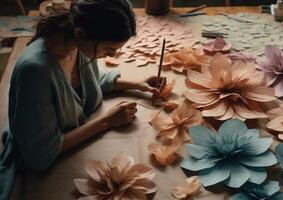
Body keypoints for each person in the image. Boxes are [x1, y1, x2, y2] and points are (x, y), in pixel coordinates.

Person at [0, 0, 165, 199]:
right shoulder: (35, 72)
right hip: (48, 166)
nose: (109, 56)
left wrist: (138, 84)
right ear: (79, 33)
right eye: (108, 50)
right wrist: (106, 121)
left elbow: (90, 81)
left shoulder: (75, 44)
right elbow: (41, 156)